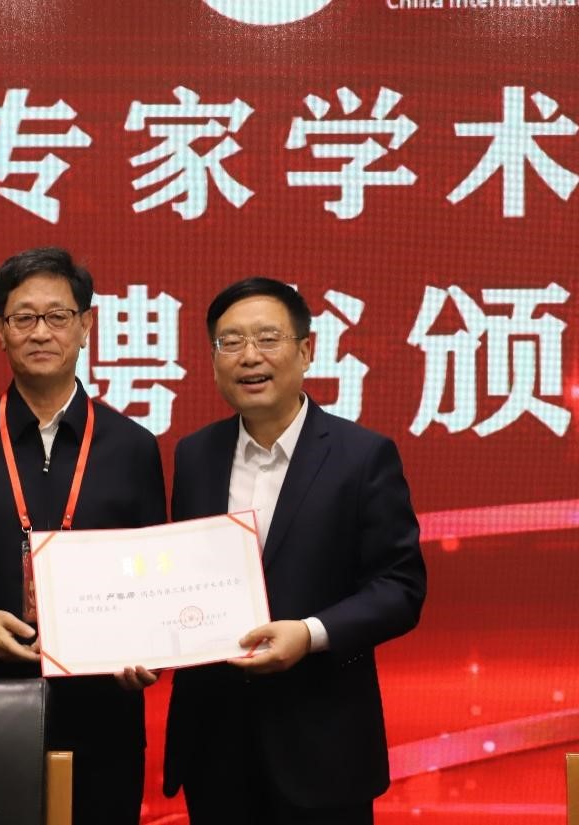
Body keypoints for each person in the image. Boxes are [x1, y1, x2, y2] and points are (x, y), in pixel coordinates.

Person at [0, 247, 165, 825]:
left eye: (58, 316)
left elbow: (153, 570)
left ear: (86, 326)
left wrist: (148, 648)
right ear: (0, 330)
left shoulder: (133, 447)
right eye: (23, 318)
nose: (41, 332)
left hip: (102, 723)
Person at [162, 277, 426, 825]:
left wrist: (309, 634)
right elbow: (180, 577)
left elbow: (399, 588)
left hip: (323, 747)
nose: (249, 357)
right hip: (215, 746)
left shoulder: (362, 456)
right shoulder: (195, 455)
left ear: (306, 351)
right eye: (231, 342)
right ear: (213, 360)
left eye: (267, 339)